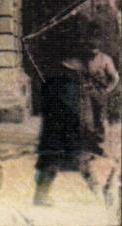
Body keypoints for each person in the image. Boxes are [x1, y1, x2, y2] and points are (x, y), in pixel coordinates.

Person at [33, 49, 118, 206]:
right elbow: (77, 113)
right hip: (68, 132)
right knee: (77, 163)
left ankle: (41, 196)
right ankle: (101, 197)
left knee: (55, 163)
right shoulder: (71, 87)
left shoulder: (57, 84)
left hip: (58, 133)